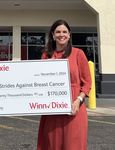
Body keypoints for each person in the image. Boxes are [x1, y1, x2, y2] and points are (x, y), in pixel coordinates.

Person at [37, 19, 92, 150]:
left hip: (74, 108)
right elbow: (39, 81)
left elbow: (87, 83)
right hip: (53, 108)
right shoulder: (46, 55)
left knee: (73, 145)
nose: (61, 35)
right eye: (58, 32)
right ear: (52, 35)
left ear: (69, 34)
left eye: (64, 32)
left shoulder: (78, 53)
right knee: (52, 144)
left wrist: (78, 100)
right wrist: (47, 68)